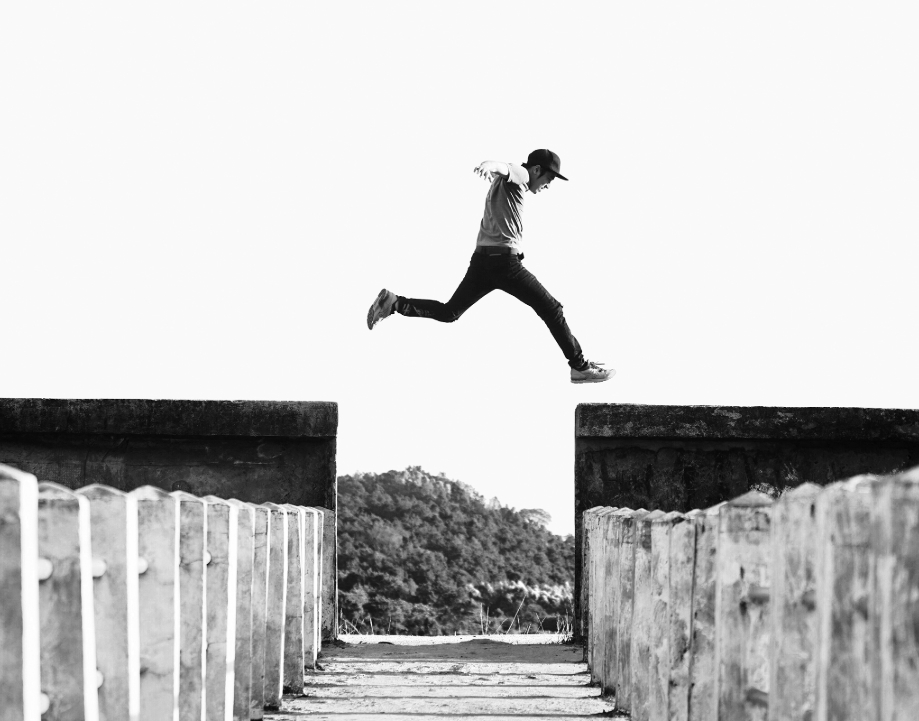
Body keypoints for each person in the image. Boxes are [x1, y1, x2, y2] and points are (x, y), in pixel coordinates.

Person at [366, 149, 613, 384]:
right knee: (552, 309)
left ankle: (394, 302)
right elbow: (505, 167)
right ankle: (580, 367)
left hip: (482, 263)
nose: (547, 186)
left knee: (450, 312)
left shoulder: (505, 186)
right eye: (548, 180)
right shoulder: (522, 176)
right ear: (537, 170)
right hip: (505, 264)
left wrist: (494, 169)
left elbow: (502, 171)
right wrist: (489, 164)